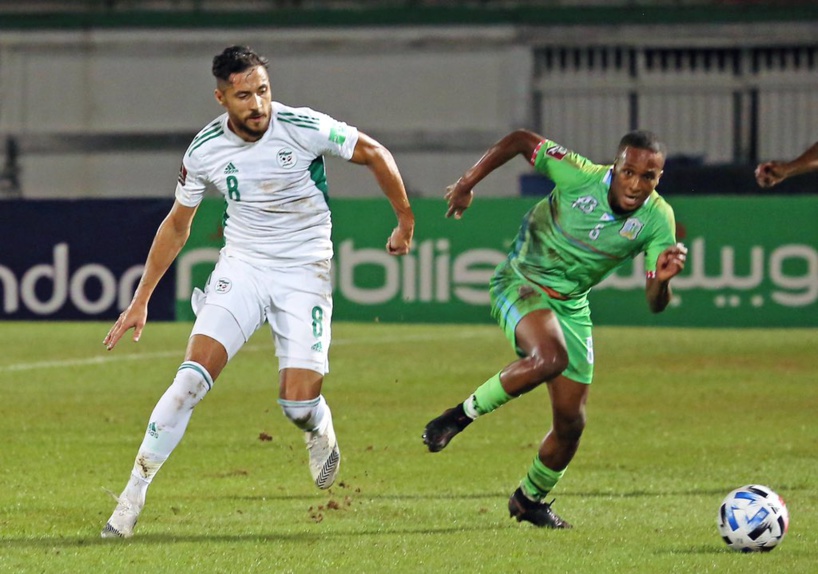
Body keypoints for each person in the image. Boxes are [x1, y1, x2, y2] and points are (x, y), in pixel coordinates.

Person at [101, 45, 414, 538]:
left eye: (263, 91)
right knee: (189, 382)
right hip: (242, 266)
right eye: (244, 95)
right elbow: (178, 225)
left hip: (303, 270)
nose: (258, 104)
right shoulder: (203, 150)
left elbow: (374, 153)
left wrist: (405, 219)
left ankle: (317, 426)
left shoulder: (303, 125)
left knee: (296, 405)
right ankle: (130, 499)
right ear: (222, 98)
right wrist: (140, 299)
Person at [422, 129, 687, 528]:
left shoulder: (657, 220)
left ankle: (529, 500)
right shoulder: (578, 175)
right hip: (520, 281)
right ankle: (457, 417)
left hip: (571, 305)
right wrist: (466, 183)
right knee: (549, 358)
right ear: (615, 167)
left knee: (571, 423)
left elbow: (655, 304)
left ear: (659, 177)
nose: (635, 184)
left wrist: (662, 281)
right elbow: (519, 140)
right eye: (628, 172)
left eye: (647, 177)